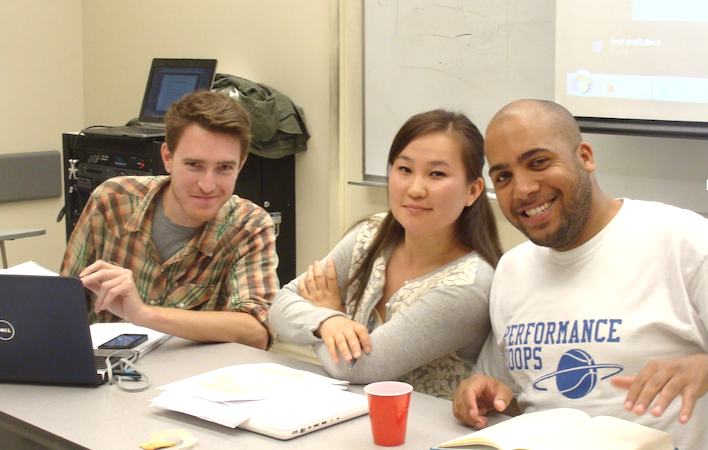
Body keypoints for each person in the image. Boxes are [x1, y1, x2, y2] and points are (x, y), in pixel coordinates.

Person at [452, 99, 708, 449]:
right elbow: (509, 391)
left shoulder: (684, 242)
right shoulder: (512, 269)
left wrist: (704, 368)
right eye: (504, 177)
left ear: (585, 157)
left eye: (538, 163)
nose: (523, 189)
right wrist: (486, 394)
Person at [270, 109, 503, 399]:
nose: (416, 189)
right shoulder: (372, 234)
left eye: (437, 174)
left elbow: (357, 368)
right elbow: (280, 304)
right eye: (404, 169)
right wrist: (327, 321)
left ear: (473, 190)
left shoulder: (468, 285)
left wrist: (329, 313)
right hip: (348, 414)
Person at [60, 90, 278, 350]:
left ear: (240, 165)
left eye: (224, 168)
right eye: (194, 165)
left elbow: (257, 331)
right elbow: (63, 302)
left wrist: (143, 314)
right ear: (167, 157)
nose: (207, 185)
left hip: (194, 381)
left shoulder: (250, 226)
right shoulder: (112, 200)